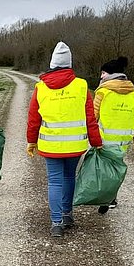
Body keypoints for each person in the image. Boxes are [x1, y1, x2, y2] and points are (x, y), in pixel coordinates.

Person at [26, 42, 102, 238]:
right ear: (69, 64)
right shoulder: (81, 86)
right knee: (69, 177)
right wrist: (96, 141)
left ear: (52, 64)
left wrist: (31, 141)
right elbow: (90, 117)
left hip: (50, 145)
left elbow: (34, 119)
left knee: (54, 181)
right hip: (75, 145)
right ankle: (67, 214)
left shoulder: (40, 88)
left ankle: (56, 222)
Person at [93, 56, 134, 214]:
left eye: (103, 73)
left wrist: (88, 134)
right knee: (114, 170)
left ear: (109, 74)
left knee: (101, 170)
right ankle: (111, 198)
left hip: (104, 139)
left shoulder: (103, 91)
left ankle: (103, 198)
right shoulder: (132, 92)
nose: (101, 76)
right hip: (122, 141)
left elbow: (94, 116)